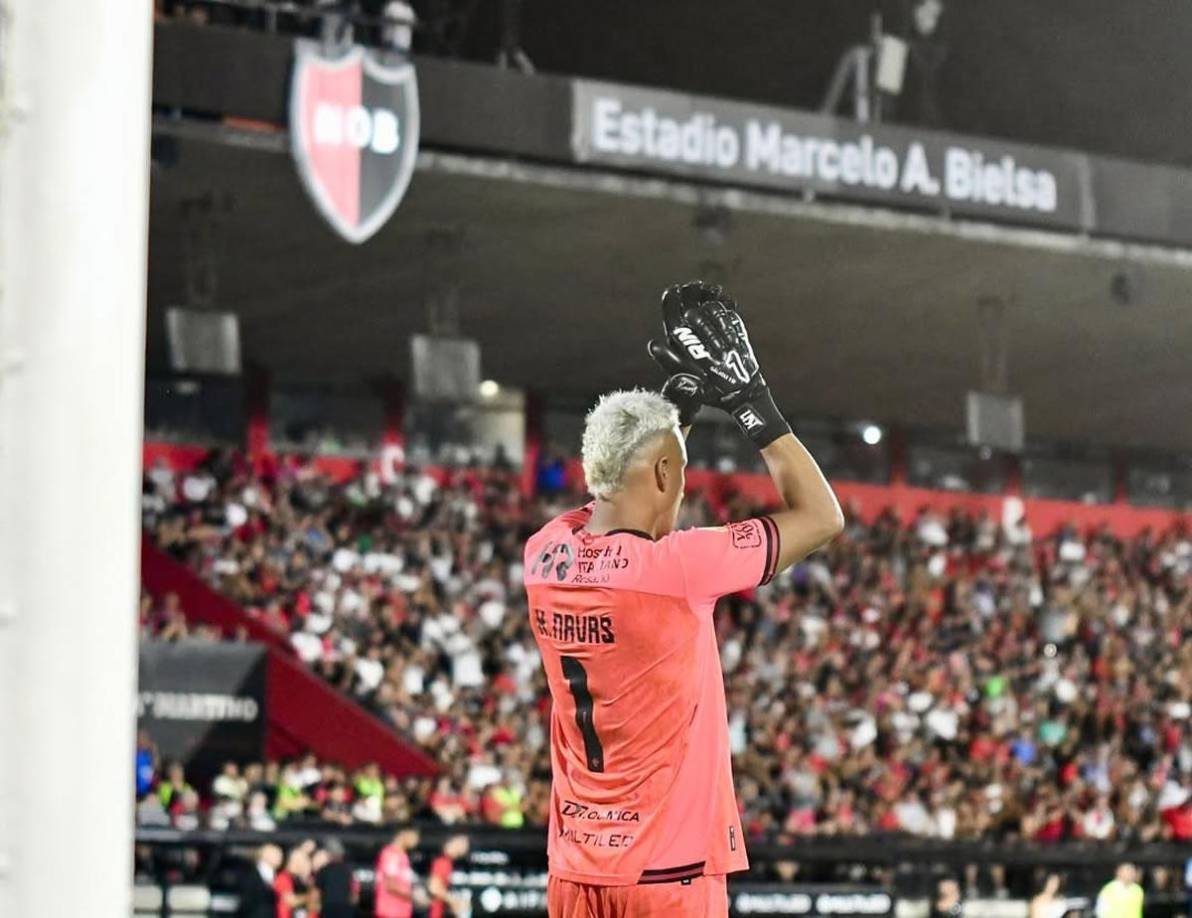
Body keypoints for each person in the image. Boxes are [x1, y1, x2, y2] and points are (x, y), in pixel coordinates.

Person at [525, 282, 843, 917]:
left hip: (576, 870)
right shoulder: (682, 567)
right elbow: (821, 515)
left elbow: (620, 494)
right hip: (667, 874)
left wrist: (671, 418)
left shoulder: (544, 553)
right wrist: (754, 404)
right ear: (668, 476)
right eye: (681, 470)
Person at [374, 827, 420, 918]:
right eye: (414, 837)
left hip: (401, 912)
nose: (416, 842)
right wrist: (414, 896)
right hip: (390, 912)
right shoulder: (392, 855)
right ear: (403, 834)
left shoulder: (402, 855)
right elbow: (391, 885)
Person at [427, 834, 470, 918]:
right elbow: (434, 888)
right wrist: (454, 901)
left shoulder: (448, 862)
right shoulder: (442, 861)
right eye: (462, 844)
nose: (464, 849)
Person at [313, 837, 357, 918]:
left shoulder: (323, 871)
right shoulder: (349, 871)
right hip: (345, 911)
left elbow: (315, 893)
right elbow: (354, 896)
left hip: (328, 911)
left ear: (329, 854)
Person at [236, 844, 282, 918]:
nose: (281, 858)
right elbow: (246, 903)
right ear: (266, 856)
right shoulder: (250, 875)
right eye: (277, 855)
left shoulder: (277, 874)